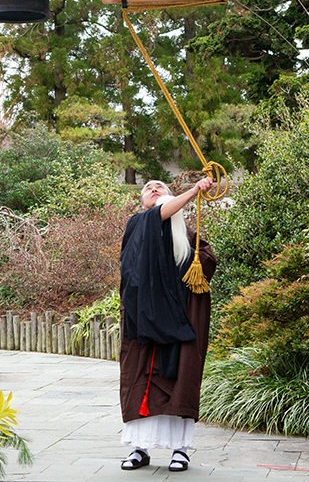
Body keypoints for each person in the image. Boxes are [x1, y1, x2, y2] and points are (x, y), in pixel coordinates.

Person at [119, 177, 217, 472]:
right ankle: (140, 448)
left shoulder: (187, 235)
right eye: (148, 188)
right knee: (140, 381)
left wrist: (192, 264)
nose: (153, 189)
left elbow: (206, 264)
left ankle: (180, 450)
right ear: (142, 201)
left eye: (160, 186)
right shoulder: (138, 224)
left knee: (181, 380)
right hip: (143, 321)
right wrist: (194, 189)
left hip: (180, 320)